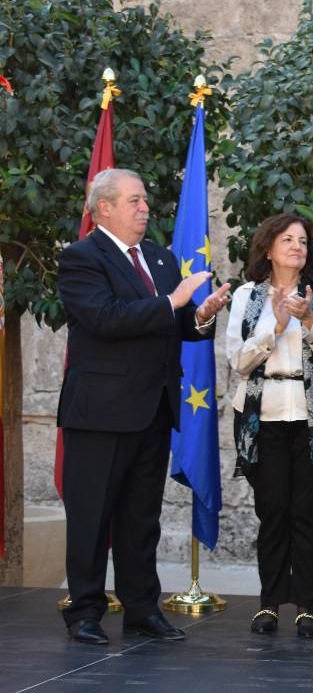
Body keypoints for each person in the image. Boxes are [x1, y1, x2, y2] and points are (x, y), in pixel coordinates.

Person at [57, 167, 230, 645]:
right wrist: (174, 300)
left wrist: (199, 315)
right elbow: (104, 318)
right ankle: (86, 612)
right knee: (92, 517)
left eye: (145, 199)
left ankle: (141, 609)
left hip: (153, 409)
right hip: (99, 414)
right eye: (134, 200)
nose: (145, 208)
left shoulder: (158, 258)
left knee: (140, 518)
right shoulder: (81, 258)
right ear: (104, 208)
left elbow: (175, 327)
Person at [226, 212, 313, 639]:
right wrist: (273, 327)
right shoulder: (247, 295)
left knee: (308, 512)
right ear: (269, 247)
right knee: (273, 510)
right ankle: (269, 604)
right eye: (288, 239)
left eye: (303, 240)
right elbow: (238, 362)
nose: (298, 246)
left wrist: (311, 323)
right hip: (263, 417)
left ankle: (307, 607)